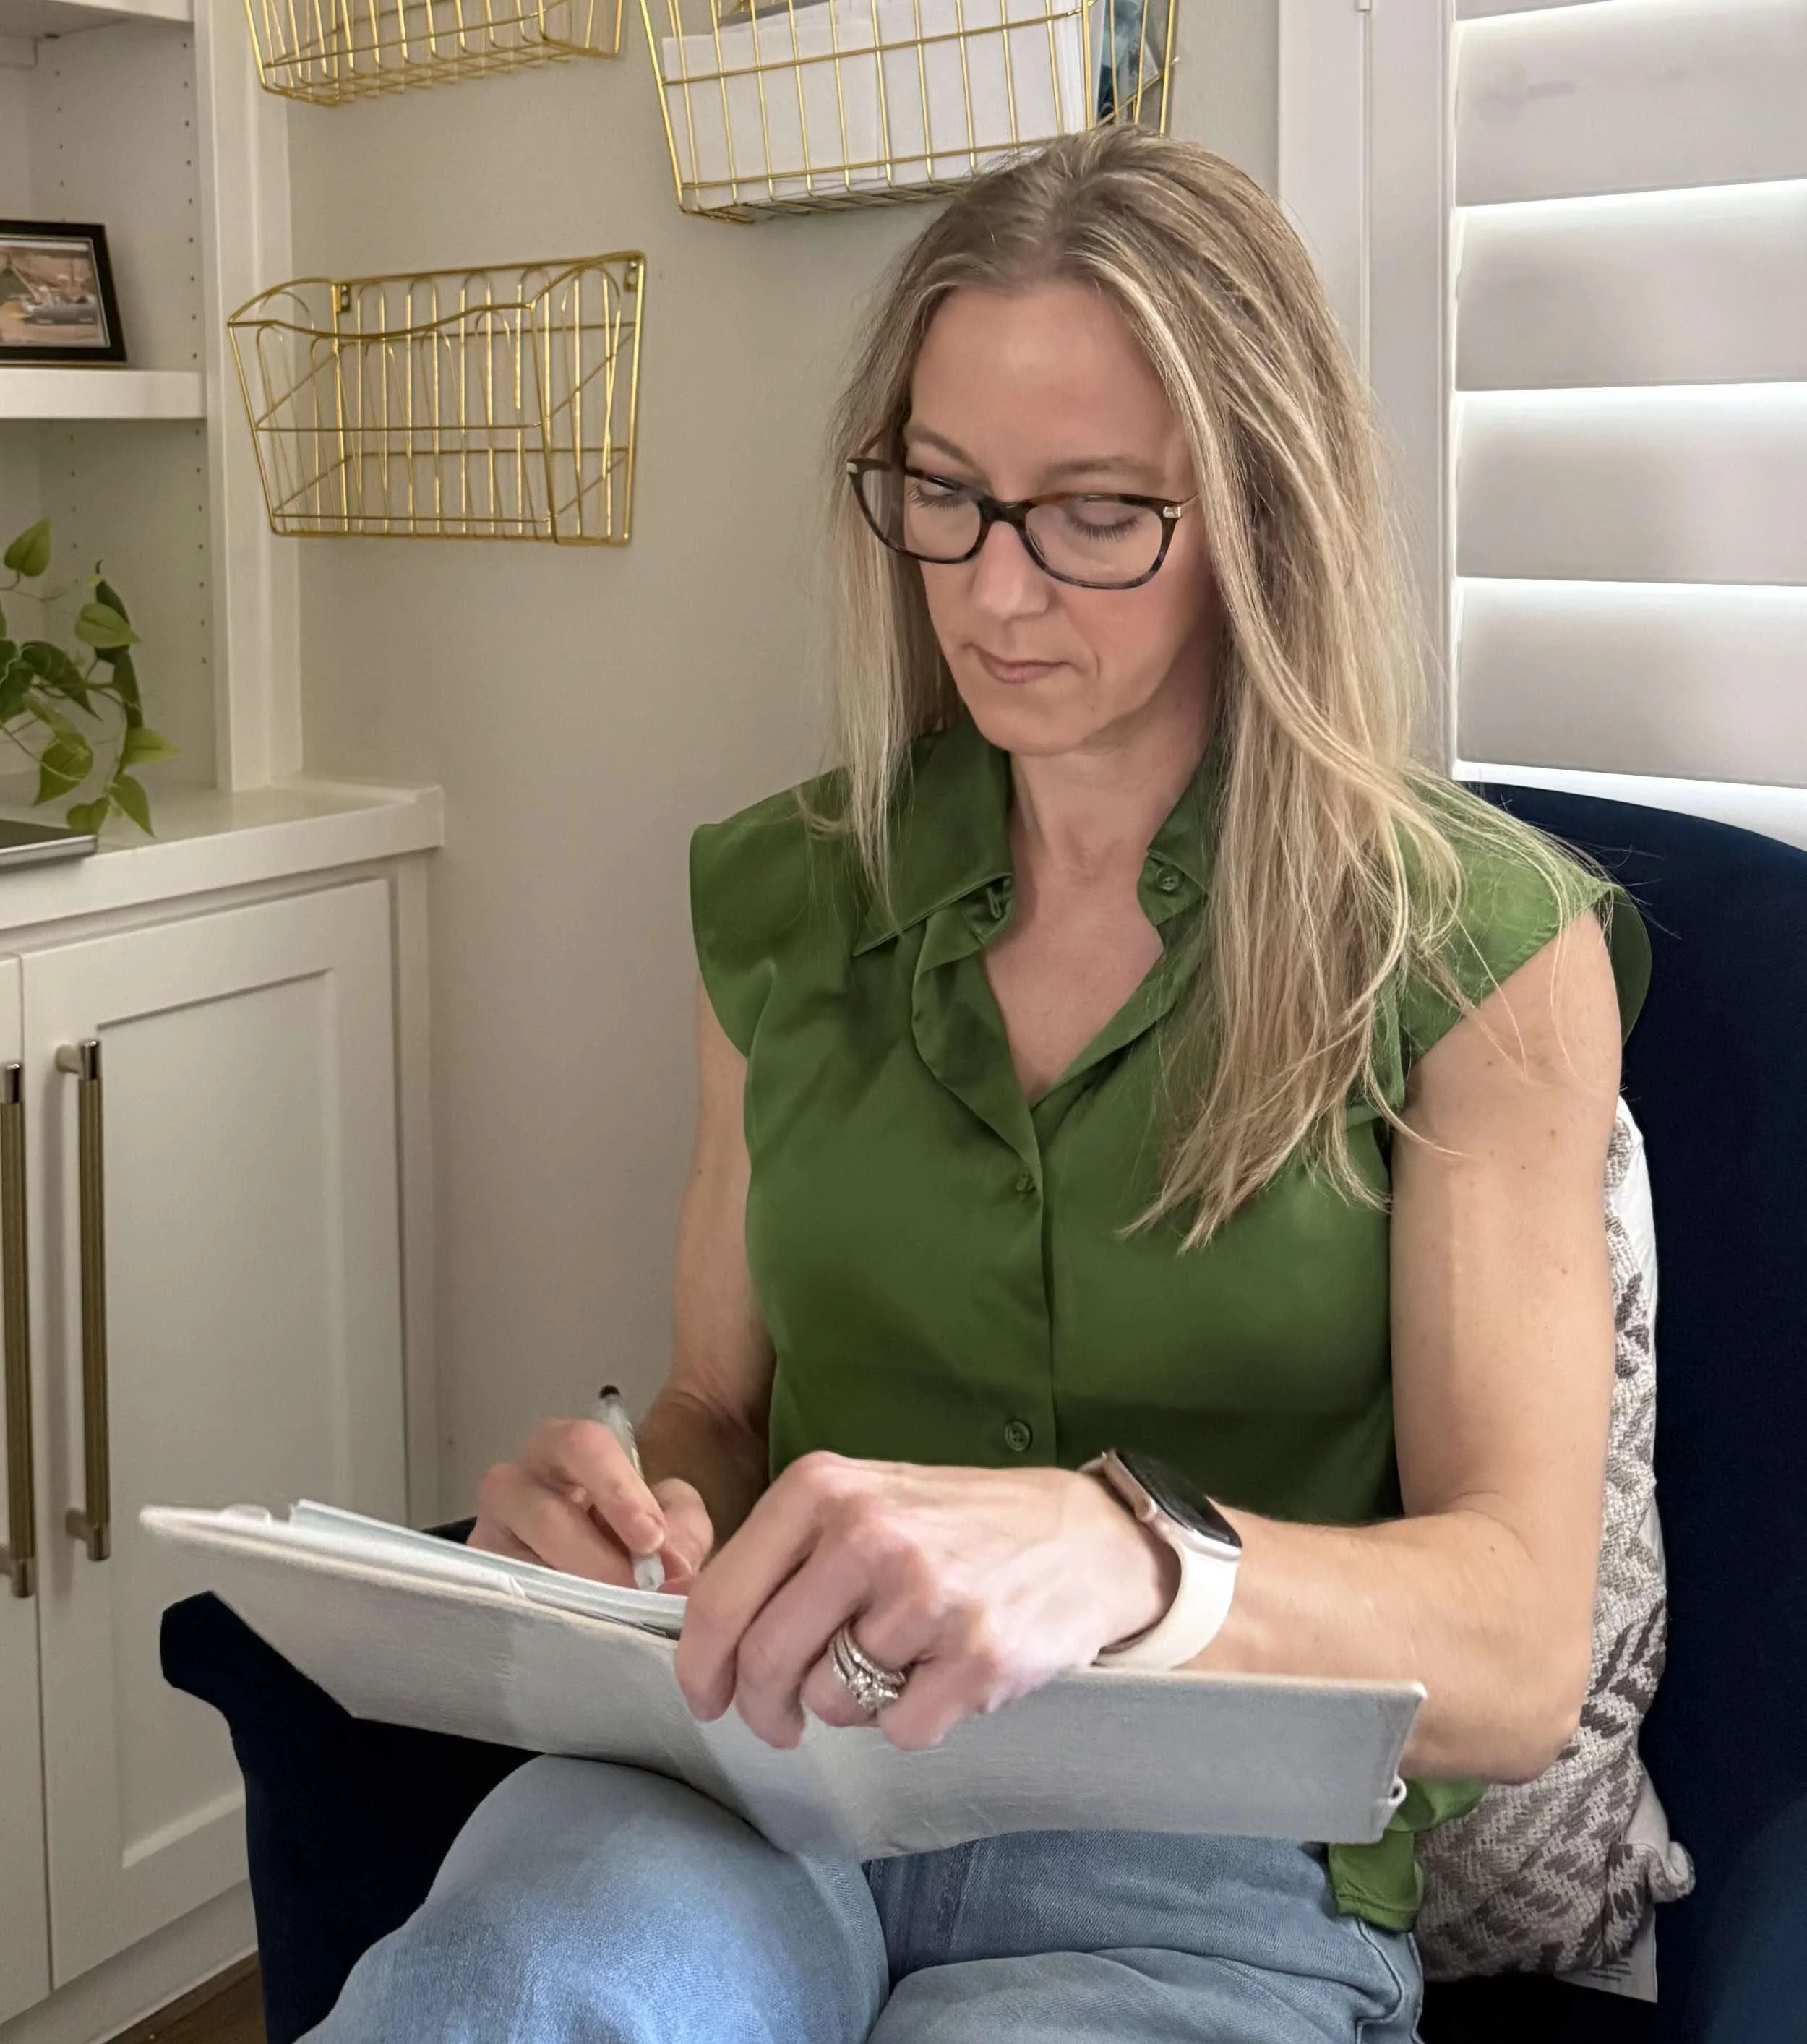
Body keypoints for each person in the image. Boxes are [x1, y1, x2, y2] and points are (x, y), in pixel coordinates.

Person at [305, 125, 1648, 2043]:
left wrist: (1125, 1554)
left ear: (1256, 513)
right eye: (942, 494)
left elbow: (1516, 1646)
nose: (995, 591)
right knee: (513, 1997)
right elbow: (711, 1399)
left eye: (1093, 511)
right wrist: (637, 1519)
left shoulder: (1471, 945)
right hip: (755, 1777)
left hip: (1191, 1853)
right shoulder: (784, 898)